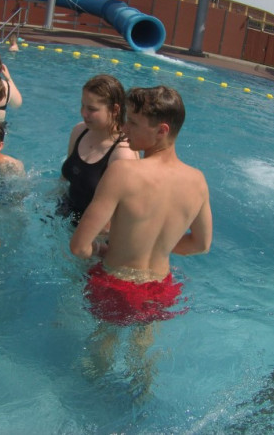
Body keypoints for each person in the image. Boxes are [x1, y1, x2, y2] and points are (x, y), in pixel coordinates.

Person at [69, 86, 212, 397]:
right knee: (142, 358)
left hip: (115, 284)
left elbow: (79, 246)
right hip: (159, 289)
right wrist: (157, 245)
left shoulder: (123, 172)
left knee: (101, 351)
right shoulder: (198, 181)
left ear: (162, 130)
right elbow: (201, 244)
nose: (124, 127)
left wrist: (103, 249)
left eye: (133, 122)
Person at [61, 74, 138, 220]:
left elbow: (122, 210)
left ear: (115, 109)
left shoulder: (123, 153)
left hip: (93, 229)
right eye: (82, 105)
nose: (83, 113)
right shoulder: (79, 131)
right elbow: (64, 180)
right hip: (63, 213)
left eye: (92, 109)